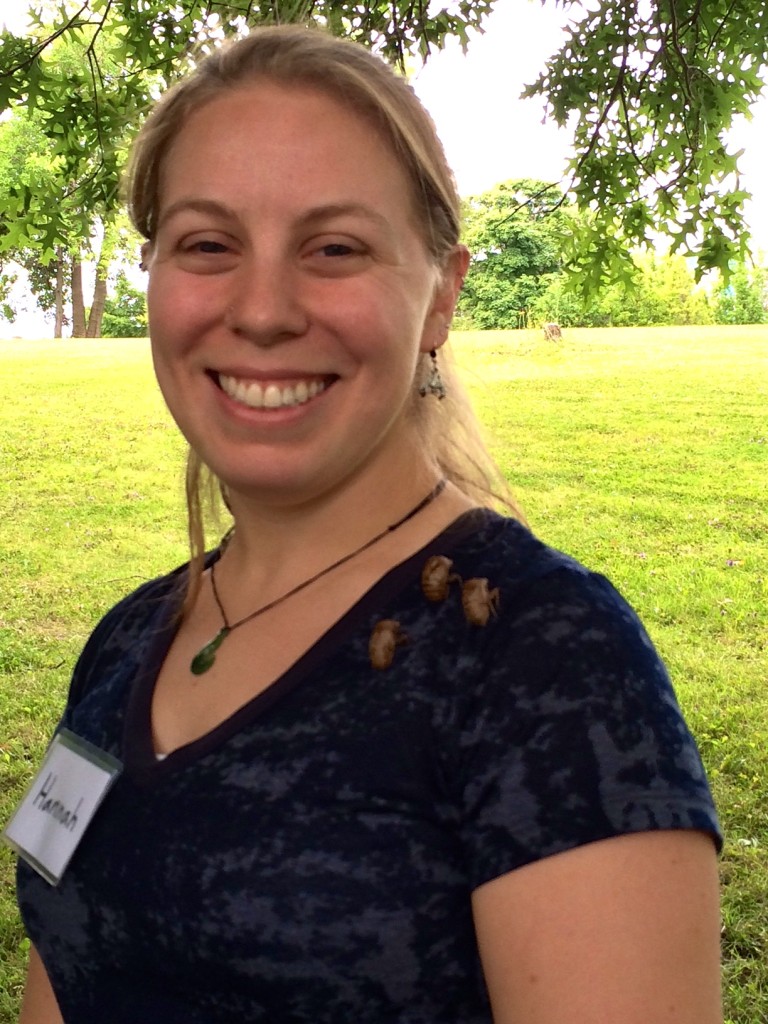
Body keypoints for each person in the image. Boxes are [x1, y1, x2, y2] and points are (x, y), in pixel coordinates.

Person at [15, 24, 722, 1024]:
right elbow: (65, 969)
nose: (262, 310)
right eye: (209, 244)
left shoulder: (542, 664)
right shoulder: (126, 643)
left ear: (441, 296)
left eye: (335, 248)